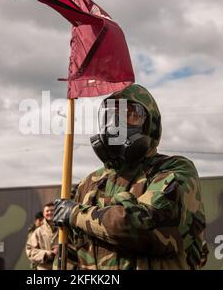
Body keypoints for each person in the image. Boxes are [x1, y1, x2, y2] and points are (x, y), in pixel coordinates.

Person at [54, 84, 208, 270]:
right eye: (111, 116)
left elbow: (143, 225)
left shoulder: (174, 170)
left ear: (151, 125)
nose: (117, 124)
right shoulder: (88, 184)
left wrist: (76, 214)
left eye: (132, 115)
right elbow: (69, 256)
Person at [26, 202, 57, 270]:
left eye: (52, 210)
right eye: (47, 211)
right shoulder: (38, 232)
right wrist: (48, 254)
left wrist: (61, 249)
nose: (50, 212)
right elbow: (30, 251)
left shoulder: (64, 230)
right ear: (43, 214)